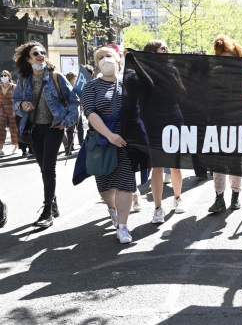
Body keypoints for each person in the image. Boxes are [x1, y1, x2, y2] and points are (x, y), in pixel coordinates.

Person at [12, 41, 79, 227]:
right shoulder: (24, 79)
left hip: (53, 128)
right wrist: (22, 105)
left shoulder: (56, 77)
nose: (41, 55)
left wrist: (65, 122)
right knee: (43, 168)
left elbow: (74, 102)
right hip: (33, 129)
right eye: (36, 53)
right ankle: (54, 203)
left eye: (43, 52)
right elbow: (15, 102)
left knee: (49, 168)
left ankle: (47, 211)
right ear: (28, 58)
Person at [82, 46, 136, 243]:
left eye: (109, 56)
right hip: (102, 141)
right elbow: (90, 112)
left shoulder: (130, 83)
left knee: (125, 183)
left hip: (126, 141)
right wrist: (110, 135)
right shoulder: (91, 86)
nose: (105, 59)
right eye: (101, 57)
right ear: (96, 64)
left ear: (118, 59)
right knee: (105, 184)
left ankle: (123, 226)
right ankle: (112, 208)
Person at [141, 40, 185, 222]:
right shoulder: (143, 72)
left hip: (173, 117)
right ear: (152, 52)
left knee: (175, 164)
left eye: (167, 47)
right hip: (153, 121)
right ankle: (158, 208)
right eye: (162, 48)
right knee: (157, 166)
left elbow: (182, 92)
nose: (166, 50)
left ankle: (177, 198)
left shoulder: (172, 70)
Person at [207, 35, 242, 213]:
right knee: (218, 163)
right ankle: (219, 197)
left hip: (238, 123)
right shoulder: (212, 74)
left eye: (228, 56)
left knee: (235, 161)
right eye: (221, 57)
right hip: (217, 122)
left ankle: (235, 196)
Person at [0, 70, 19, 156]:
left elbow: (18, 98)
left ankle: (16, 146)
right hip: (2, 111)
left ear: (9, 77)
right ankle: (0, 148)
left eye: (5, 75)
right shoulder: (0, 87)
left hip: (12, 111)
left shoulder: (14, 87)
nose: (3, 77)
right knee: (1, 130)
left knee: (14, 129)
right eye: (2, 75)